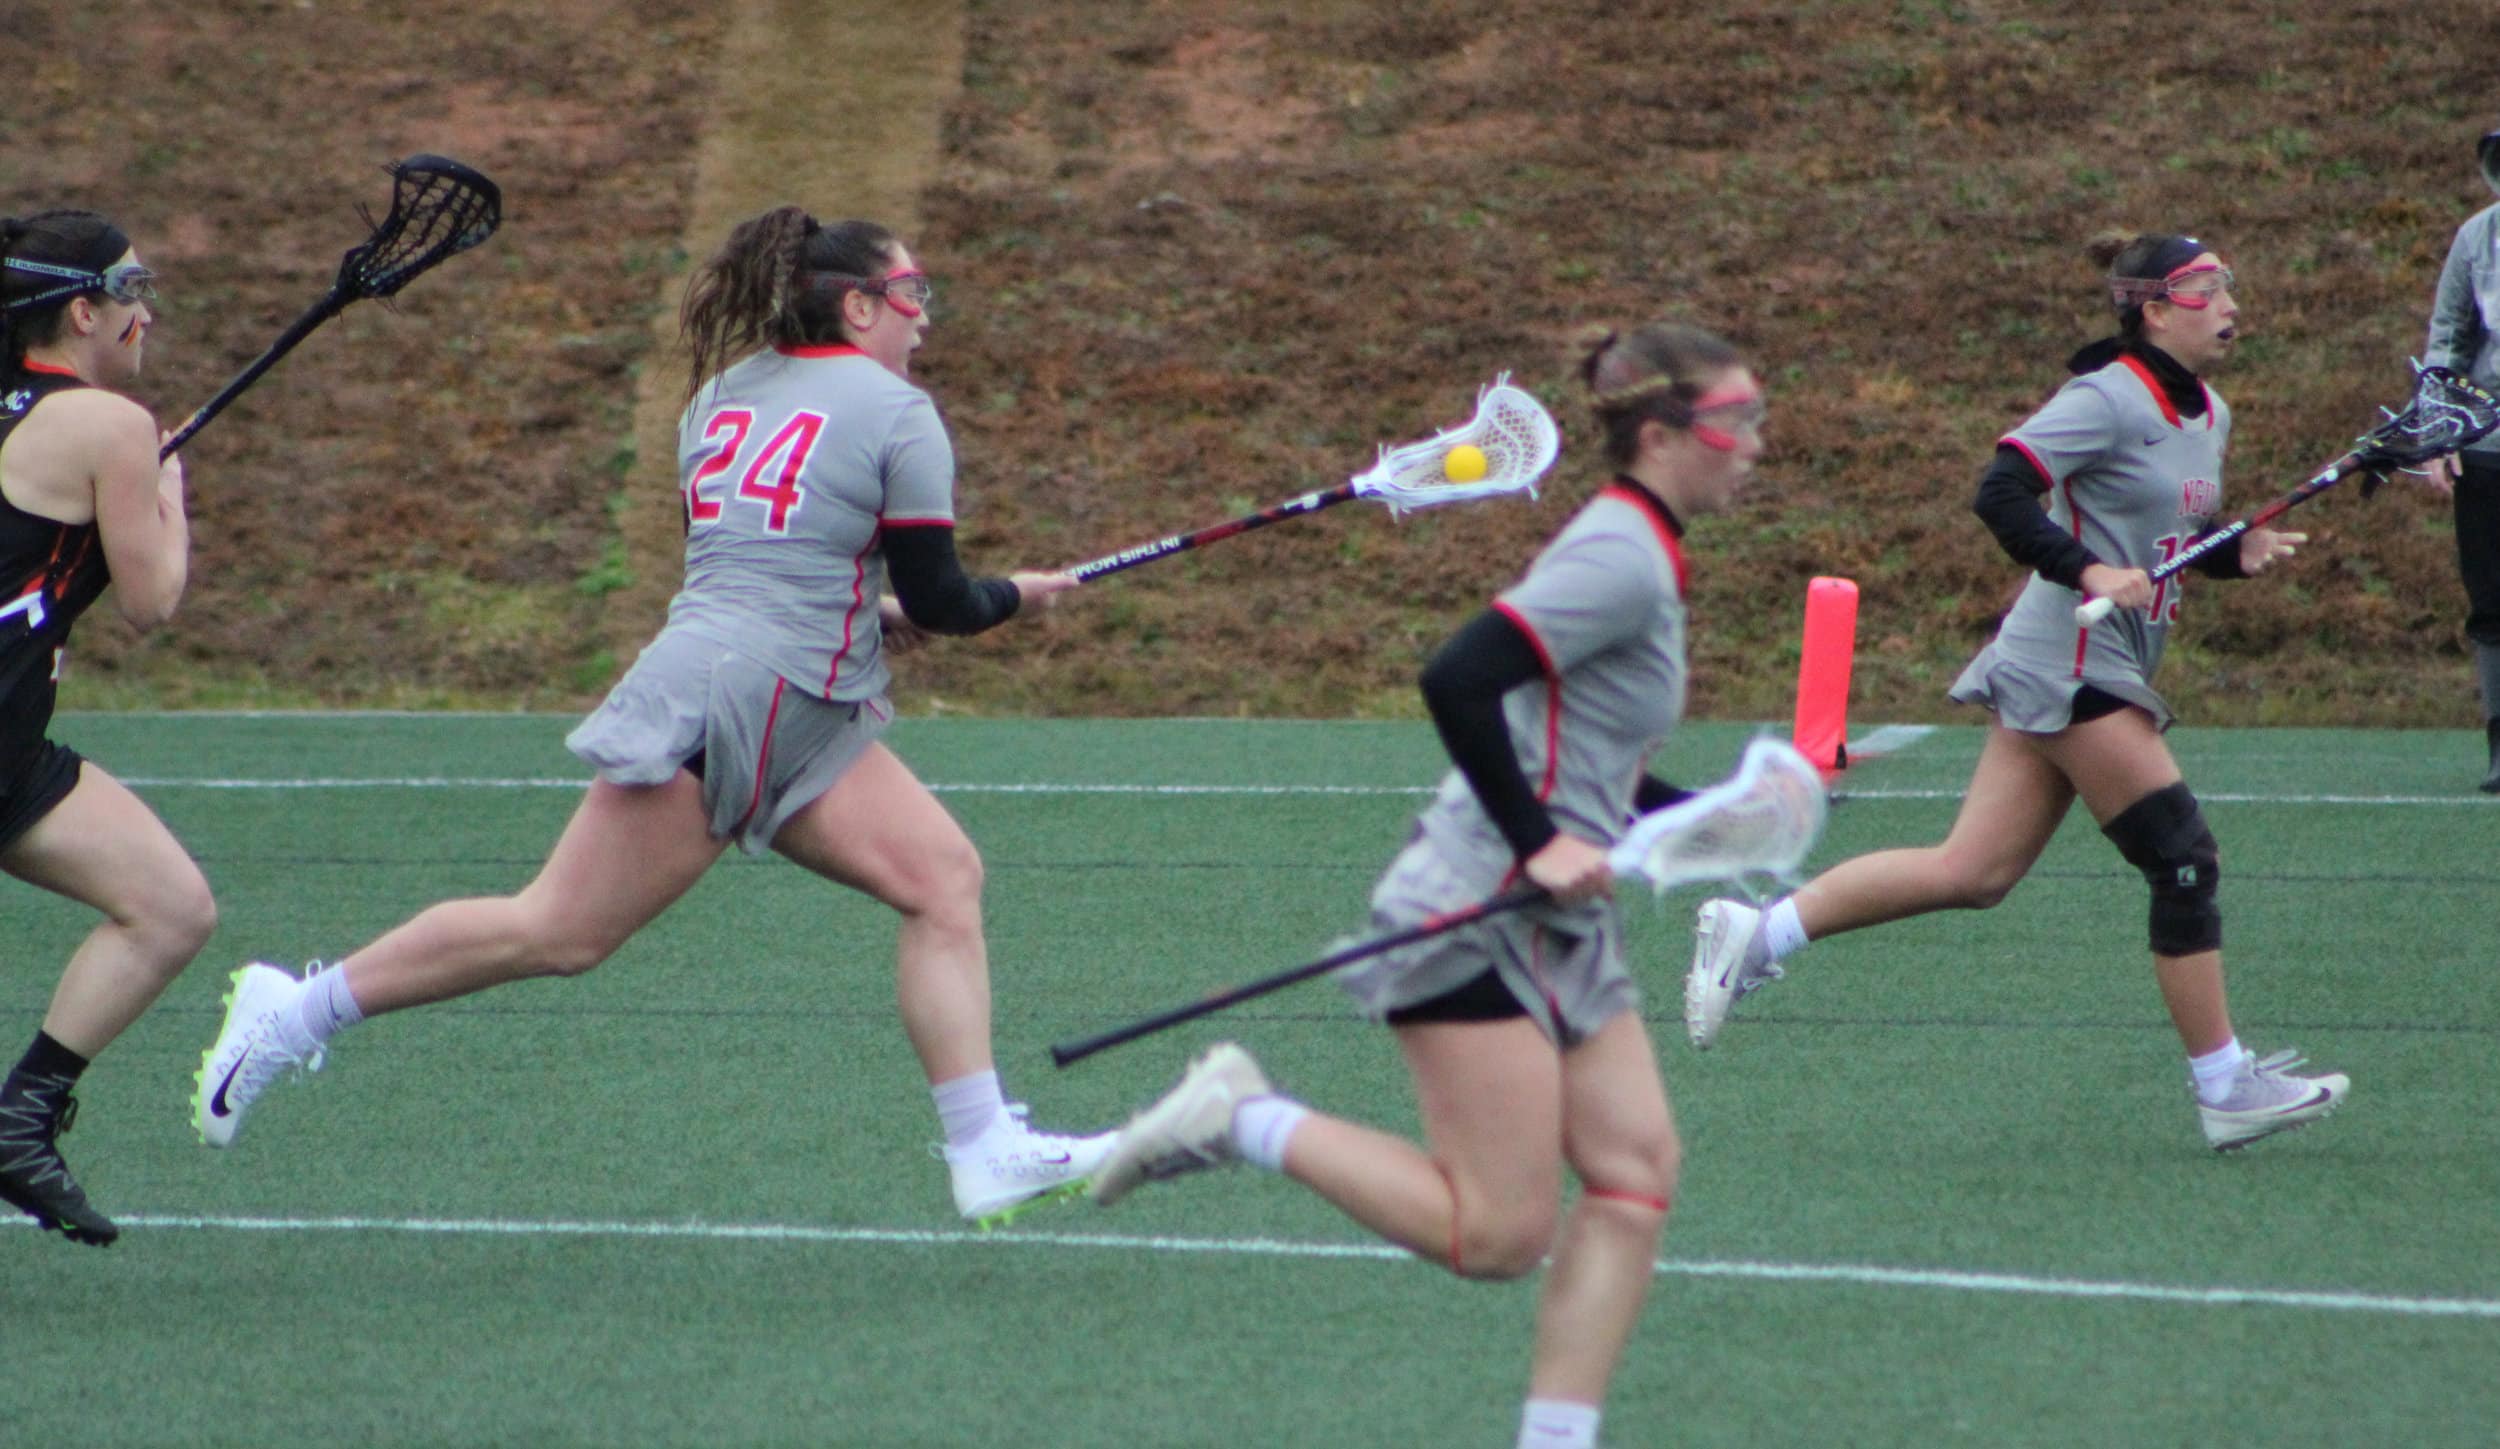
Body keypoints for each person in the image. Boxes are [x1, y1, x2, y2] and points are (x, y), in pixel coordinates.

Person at [195, 206, 1109, 1225]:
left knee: (942, 879)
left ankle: (983, 1145)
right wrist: (1009, 598)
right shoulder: (901, 413)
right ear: (857, 305)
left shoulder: (717, 395)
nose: (922, 318)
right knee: (558, 930)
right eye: (910, 295)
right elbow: (943, 599)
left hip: (771, 690)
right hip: (743, 700)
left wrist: (872, 615)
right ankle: (293, 1010)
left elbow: (764, 562)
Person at [1087, 323, 1766, 1449]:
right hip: (1472, 909)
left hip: (1556, 917)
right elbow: (1457, 676)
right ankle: (1242, 1118)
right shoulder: (1620, 556)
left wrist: (1715, 814)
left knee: (1635, 1169)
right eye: (1735, 422)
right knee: (1496, 1235)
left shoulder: (1645, 549)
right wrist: (1540, 841)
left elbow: (1583, 748)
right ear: (1660, 436)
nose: (1752, 444)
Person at [1684, 232, 2350, 1152]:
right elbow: (2001, 494)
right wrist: (2084, 569)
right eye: (2204, 288)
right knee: (2182, 854)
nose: (2228, 302)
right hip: (2067, 660)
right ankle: (2225, 1084)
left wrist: (2235, 550)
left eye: (2228, 283)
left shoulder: (2210, 415)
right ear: (2152, 308)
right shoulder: (2105, 396)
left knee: (1974, 872)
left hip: (2092, 659)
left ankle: (1758, 935)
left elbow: (2164, 539)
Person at [0, 211, 206, 1247]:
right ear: (83, 312)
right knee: (167, 912)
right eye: (132, 295)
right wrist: (168, 483)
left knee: (168, 904)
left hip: (13, 751)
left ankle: (19, 1122)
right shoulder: (115, 430)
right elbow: (152, 598)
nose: (146, 314)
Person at [2421, 123, 2500, 791]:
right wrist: (2440, 434)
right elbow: (2448, 336)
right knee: (2492, 598)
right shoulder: (2479, 238)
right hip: (2489, 444)